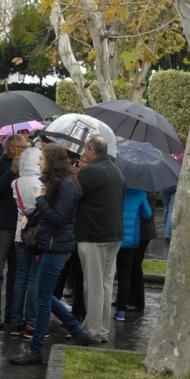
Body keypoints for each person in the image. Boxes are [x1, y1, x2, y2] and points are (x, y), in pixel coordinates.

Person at [9, 144, 97, 365]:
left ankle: (36, 349)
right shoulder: (56, 184)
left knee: (42, 299)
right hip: (51, 245)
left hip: (57, 247)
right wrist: (32, 212)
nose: (39, 162)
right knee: (44, 295)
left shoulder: (67, 186)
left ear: (52, 161)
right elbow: (47, 212)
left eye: (42, 158)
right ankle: (78, 332)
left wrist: (39, 199)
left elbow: (58, 218)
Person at [76, 135, 125, 343]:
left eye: (85, 148)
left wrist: (76, 172)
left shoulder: (91, 172)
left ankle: (93, 331)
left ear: (91, 149)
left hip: (93, 235)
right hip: (114, 235)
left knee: (93, 285)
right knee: (105, 284)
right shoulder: (116, 170)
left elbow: (75, 195)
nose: (82, 152)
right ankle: (102, 329)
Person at [0, 134, 29, 328]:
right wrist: (11, 172)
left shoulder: (27, 167)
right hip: (2, 224)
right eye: (21, 147)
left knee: (16, 272)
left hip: (19, 224)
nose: (24, 150)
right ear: (11, 148)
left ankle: (13, 312)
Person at [8, 147, 43, 338]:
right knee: (33, 278)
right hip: (36, 235)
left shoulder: (16, 183)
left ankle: (15, 322)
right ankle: (31, 322)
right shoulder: (41, 183)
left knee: (20, 277)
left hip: (19, 234)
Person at [113, 188, 152, 322]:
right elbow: (147, 214)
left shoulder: (116, 190)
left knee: (109, 273)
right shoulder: (140, 193)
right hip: (130, 240)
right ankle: (121, 310)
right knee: (125, 273)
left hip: (113, 236)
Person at [127, 193, 157, 311]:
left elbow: (146, 213)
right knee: (132, 265)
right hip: (141, 232)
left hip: (142, 233)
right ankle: (129, 298)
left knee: (135, 265)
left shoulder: (143, 191)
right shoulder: (147, 189)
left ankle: (137, 301)